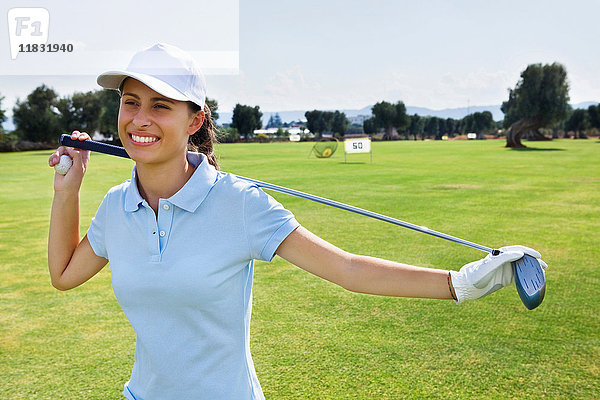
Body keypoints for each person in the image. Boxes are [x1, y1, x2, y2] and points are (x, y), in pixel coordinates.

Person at [48, 43, 546, 400]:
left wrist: (459, 283)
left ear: (194, 120)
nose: (140, 119)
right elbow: (65, 274)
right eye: (130, 102)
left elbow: (347, 269)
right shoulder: (117, 206)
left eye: (160, 106)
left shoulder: (239, 204)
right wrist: (67, 190)